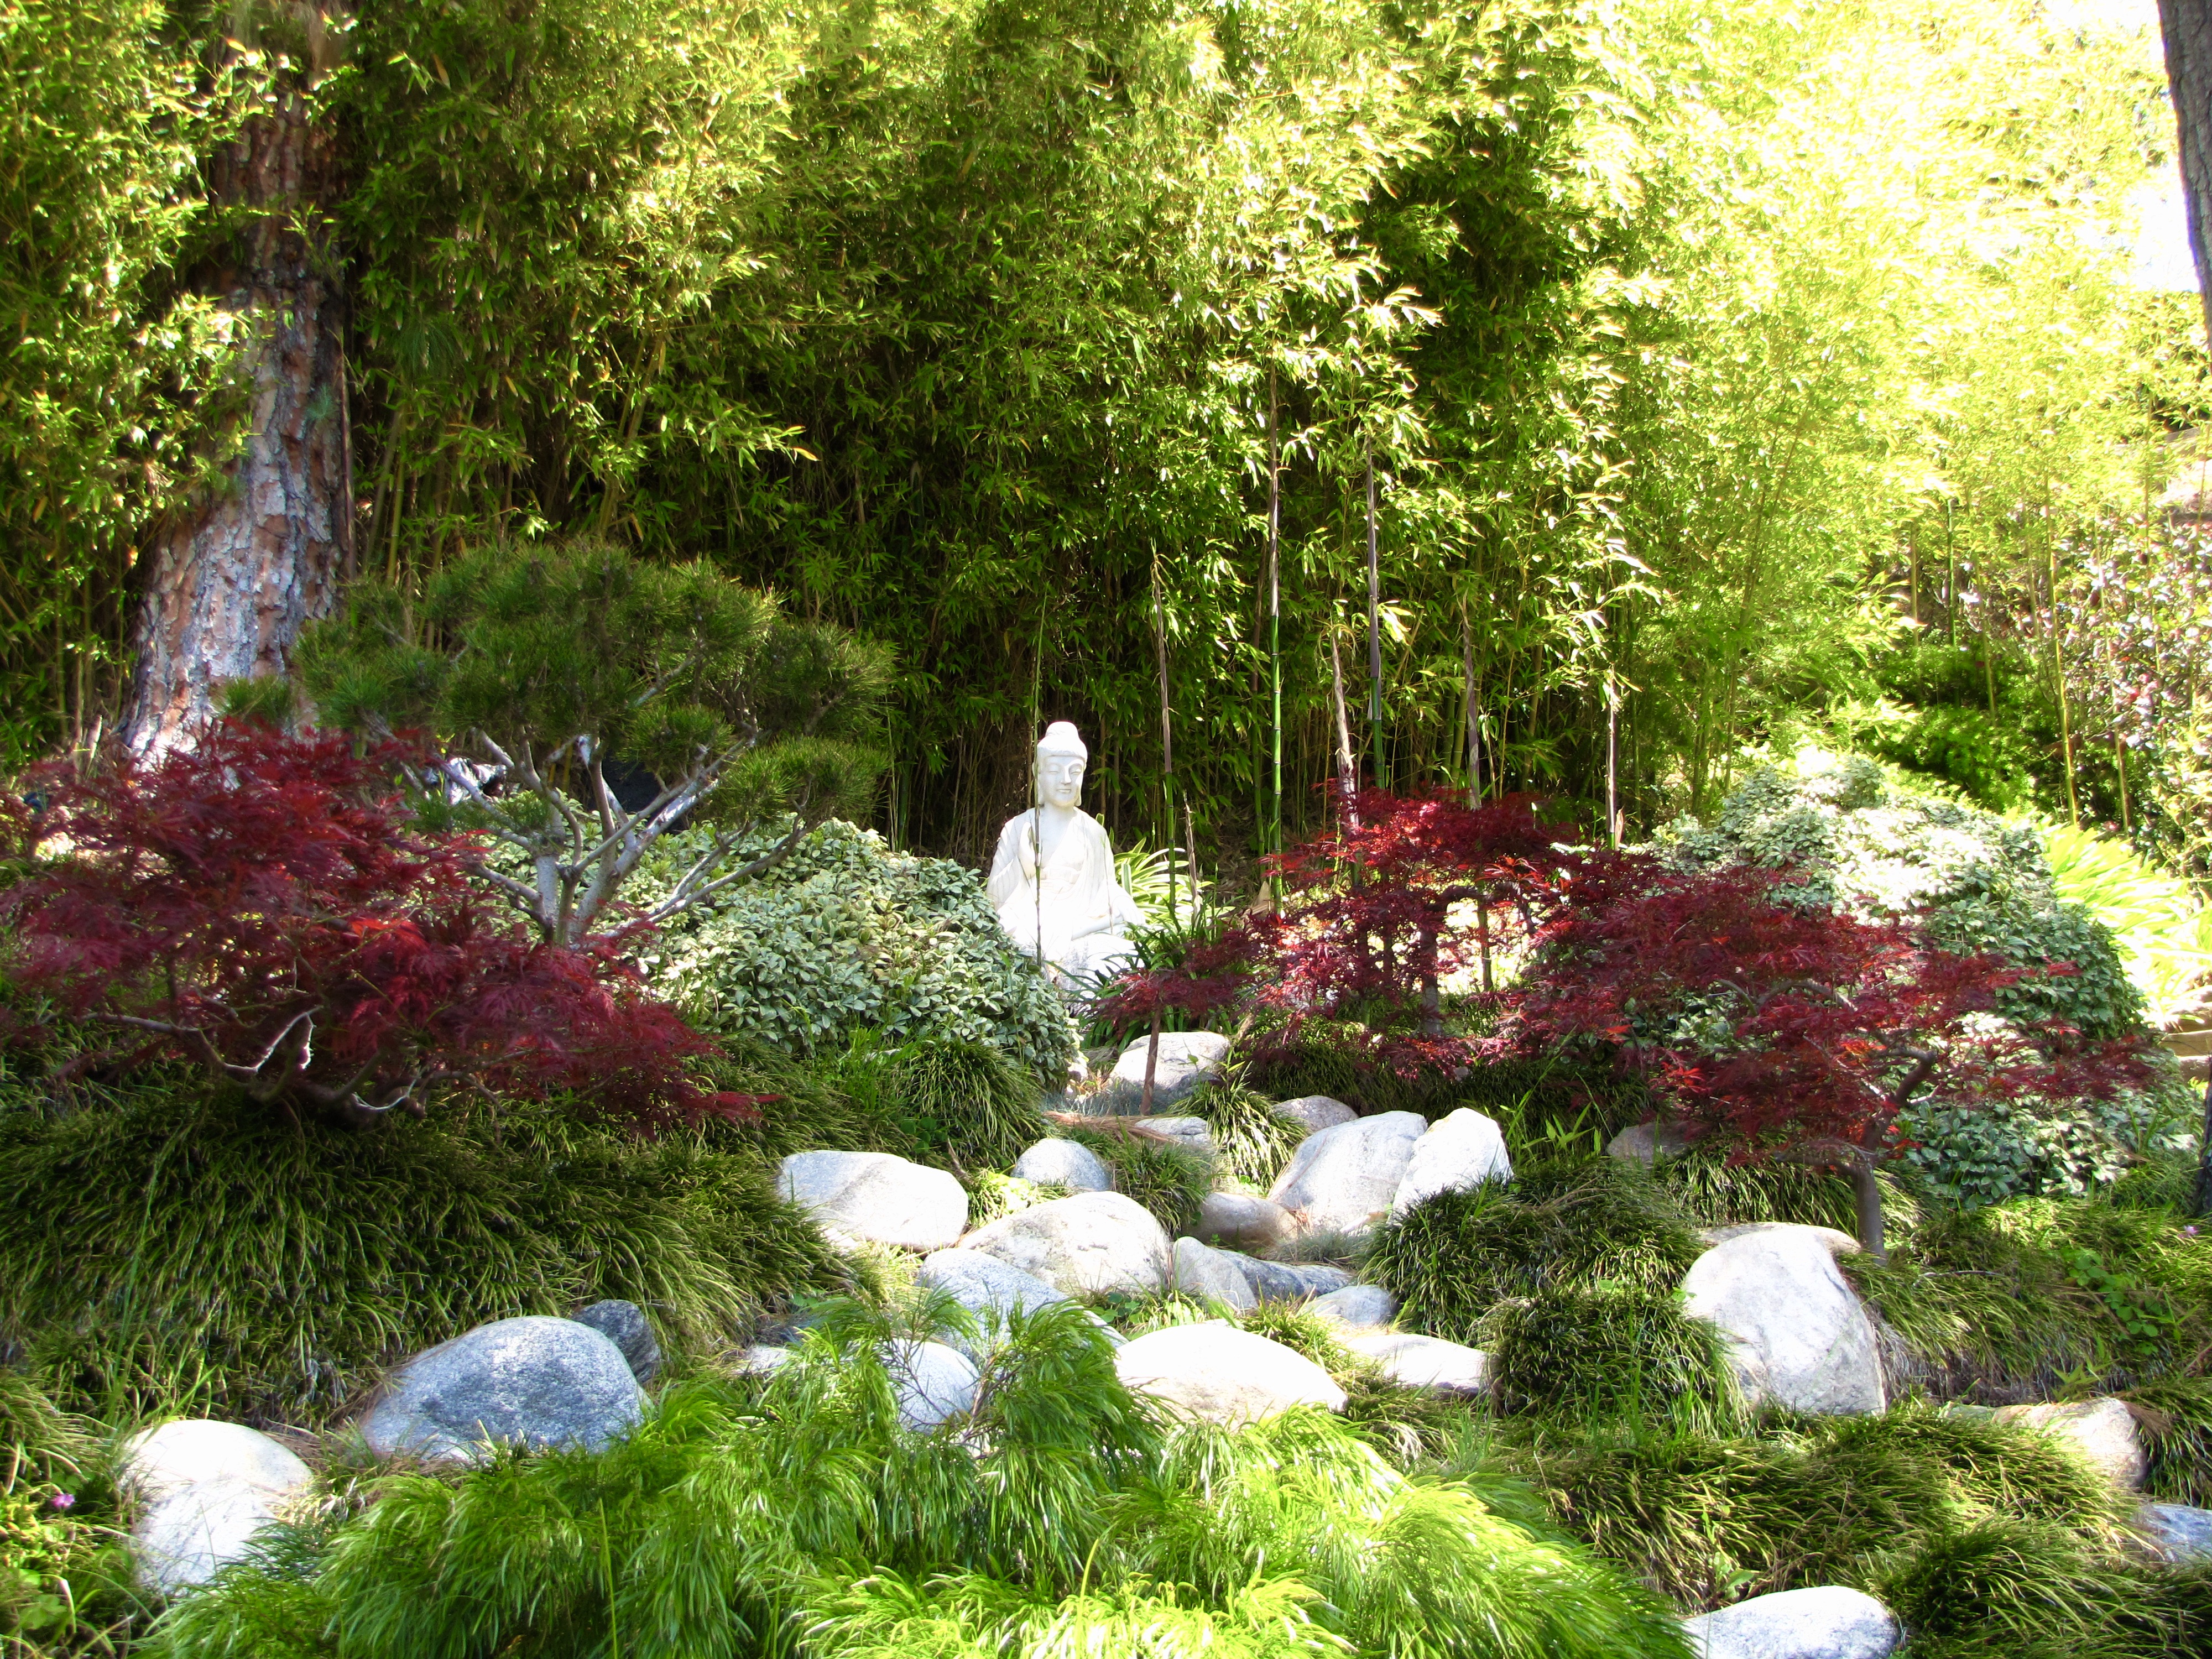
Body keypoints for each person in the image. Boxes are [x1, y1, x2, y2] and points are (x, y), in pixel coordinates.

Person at [986, 722, 1143, 983]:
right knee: (1009, 927)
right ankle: (1067, 939)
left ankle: (1076, 935)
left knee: (1126, 928)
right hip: (1030, 920)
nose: (1066, 780)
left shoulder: (1094, 832)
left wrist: (1120, 899)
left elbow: (1106, 888)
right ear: (1038, 773)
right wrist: (1022, 866)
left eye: (1075, 771)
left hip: (1079, 918)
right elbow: (993, 902)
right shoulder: (1017, 828)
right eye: (1055, 770)